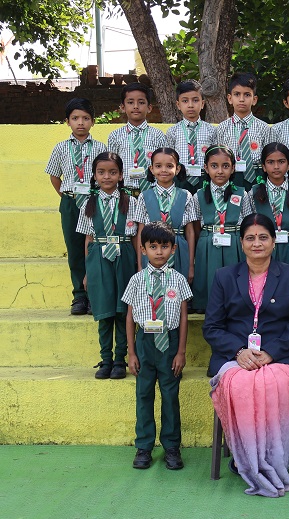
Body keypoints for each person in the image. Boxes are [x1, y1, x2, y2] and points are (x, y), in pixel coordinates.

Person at [204, 213, 289, 497]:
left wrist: (271, 352)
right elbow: (212, 327)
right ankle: (246, 456)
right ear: (241, 243)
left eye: (263, 237)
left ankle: (273, 456)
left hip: (281, 355)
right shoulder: (224, 277)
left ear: (274, 241)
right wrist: (239, 351)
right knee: (240, 384)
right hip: (236, 357)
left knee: (274, 383)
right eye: (250, 238)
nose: (256, 243)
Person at [122, 222, 192, 470]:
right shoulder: (136, 280)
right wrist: (131, 352)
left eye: (164, 246)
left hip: (169, 342)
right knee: (144, 394)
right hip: (145, 342)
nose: (159, 251)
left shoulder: (179, 280)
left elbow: (183, 317)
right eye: (153, 246)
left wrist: (181, 352)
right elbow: (130, 318)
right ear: (143, 249)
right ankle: (144, 446)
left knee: (170, 396)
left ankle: (172, 447)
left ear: (173, 249)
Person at [77, 152, 141, 379]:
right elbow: (88, 239)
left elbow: (136, 237)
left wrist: (139, 266)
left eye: (112, 172)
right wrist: (87, 272)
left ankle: (120, 360)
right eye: (101, 172)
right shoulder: (88, 203)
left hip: (124, 255)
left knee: (122, 311)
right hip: (98, 257)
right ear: (94, 176)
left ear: (121, 175)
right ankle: (106, 359)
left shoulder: (130, 201)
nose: (107, 177)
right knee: (104, 311)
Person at [46, 97, 108, 315]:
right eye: (75, 118)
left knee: (94, 248)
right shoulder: (60, 148)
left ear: (93, 121)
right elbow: (54, 176)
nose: (80, 122)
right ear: (67, 122)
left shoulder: (101, 147)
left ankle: (93, 295)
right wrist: (66, 196)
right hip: (71, 202)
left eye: (85, 118)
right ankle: (79, 296)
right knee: (74, 250)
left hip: (94, 201)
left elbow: (106, 173)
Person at [189, 145, 253, 316]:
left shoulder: (242, 194)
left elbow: (248, 224)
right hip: (208, 243)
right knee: (209, 279)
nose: (219, 171)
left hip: (235, 243)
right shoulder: (198, 195)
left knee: (235, 281)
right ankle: (207, 306)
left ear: (233, 168)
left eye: (225, 166)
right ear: (206, 168)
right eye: (214, 166)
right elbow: (196, 226)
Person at [134, 147, 199, 284]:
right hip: (152, 249)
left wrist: (191, 265)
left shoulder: (186, 195)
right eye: (158, 166)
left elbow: (190, 232)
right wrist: (140, 264)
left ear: (178, 169)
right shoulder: (144, 196)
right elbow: (140, 232)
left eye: (169, 166)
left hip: (179, 250)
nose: (163, 170)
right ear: (151, 169)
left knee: (177, 289)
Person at [247, 142, 289, 268]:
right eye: (270, 162)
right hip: (265, 247)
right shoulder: (254, 192)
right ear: (263, 166)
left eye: (281, 162)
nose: (276, 166)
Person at [214, 73, 273, 192]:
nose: (241, 99)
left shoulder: (264, 128)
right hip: (231, 175)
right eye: (237, 94)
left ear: (254, 100)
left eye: (247, 95)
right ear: (230, 98)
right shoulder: (222, 128)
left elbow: (270, 157)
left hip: (258, 176)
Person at [107, 83, 167, 195]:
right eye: (130, 102)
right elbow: (112, 166)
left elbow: (164, 163)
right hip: (125, 193)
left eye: (141, 102)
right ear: (123, 107)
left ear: (149, 108)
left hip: (152, 192)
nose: (136, 106)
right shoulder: (115, 136)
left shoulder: (158, 135)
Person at [165, 80, 217, 194]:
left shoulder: (211, 130)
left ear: (202, 104)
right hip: (181, 179)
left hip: (205, 179)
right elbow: (168, 159)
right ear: (178, 105)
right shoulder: (173, 131)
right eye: (185, 101)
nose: (190, 105)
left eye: (195, 100)